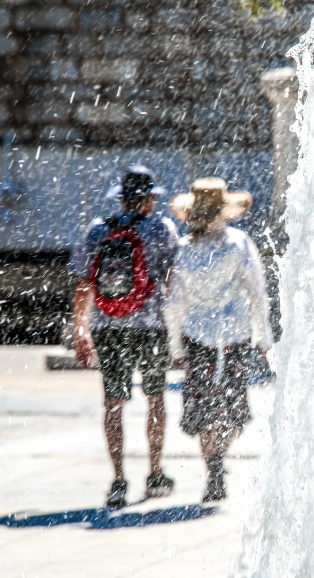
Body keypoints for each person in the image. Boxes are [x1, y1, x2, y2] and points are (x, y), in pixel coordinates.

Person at [68, 165, 179, 508]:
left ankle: (118, 480)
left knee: (113, 404)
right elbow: (175, 279)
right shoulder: (161, 228)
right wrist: (178, 330)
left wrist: (80, 331)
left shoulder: (97, 230)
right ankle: (155, 472)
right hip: (151, 326)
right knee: (155, 399)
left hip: (108, 327)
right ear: (147, 200)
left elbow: (82, 284)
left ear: (120, 198)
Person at [165, 178, 273, 502]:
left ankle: (212, 467)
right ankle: (219, 459)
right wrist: (262, 335)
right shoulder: (239, 244)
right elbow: (257, 292)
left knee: (204, 410)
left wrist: (174, 345)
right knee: (232, 406)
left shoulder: (183, 250)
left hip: (197, 339)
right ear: (224, 211)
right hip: (234, 336)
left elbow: (175, 302)